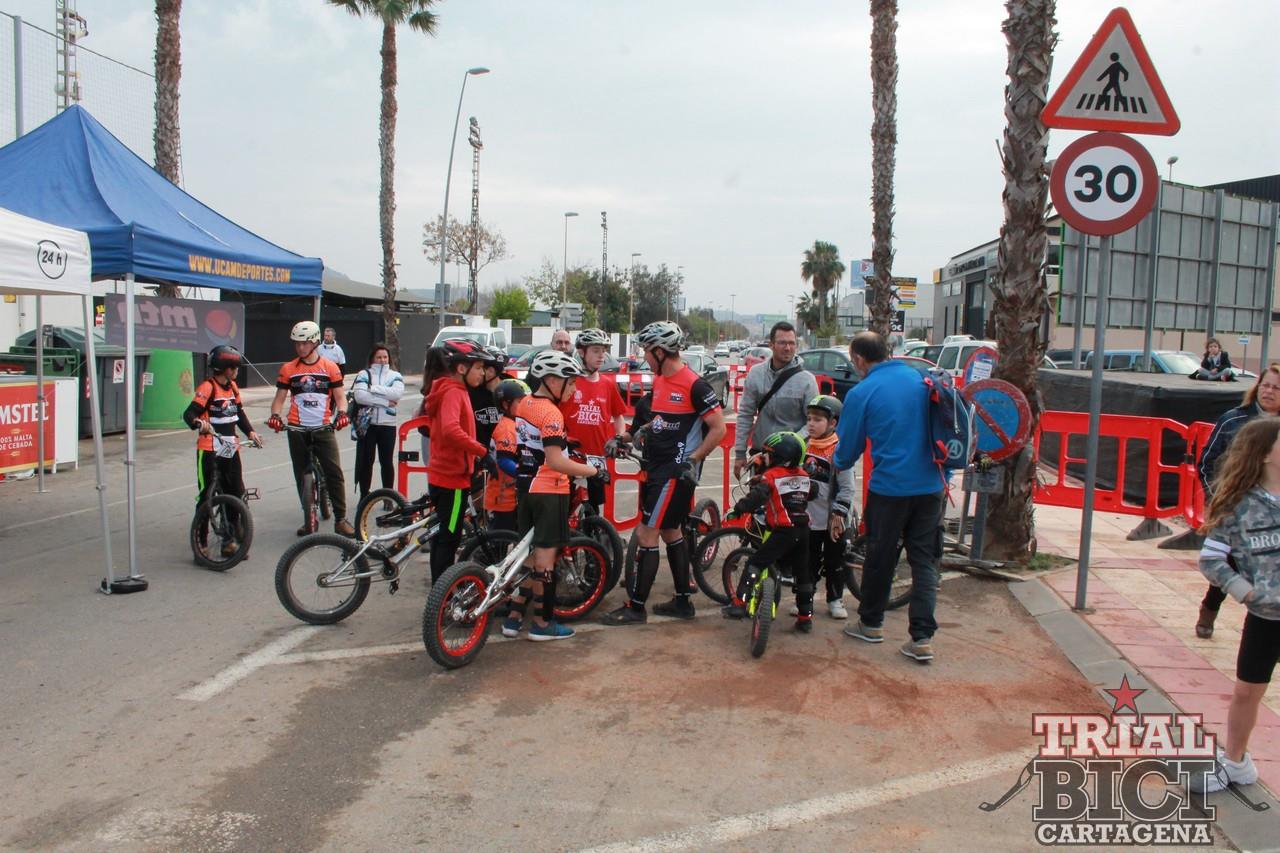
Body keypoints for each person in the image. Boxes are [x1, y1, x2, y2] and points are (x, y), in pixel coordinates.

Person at [602, 321, 726, 625]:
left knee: (646, 533)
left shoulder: (695, 385)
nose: (644, 356)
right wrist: (630, 437)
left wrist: (694, 459)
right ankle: (683, 602)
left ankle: (636, 607)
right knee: (672, 532)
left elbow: (719, 429)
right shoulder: (659, 382)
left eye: (647, 351)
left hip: (674, 473)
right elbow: (659, 422)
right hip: (658, 468)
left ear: (660, 351)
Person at [834, 331, 943, 663]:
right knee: (924, 561)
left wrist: (835, 463)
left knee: (881, 557)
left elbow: (847, 450)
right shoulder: (921, 379)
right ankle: (921, 638)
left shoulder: (862, 391)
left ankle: (871, 624)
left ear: (858, 359)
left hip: (890, 488)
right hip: (931, 487)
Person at [1193, 416, 1280, 794]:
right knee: (1247, 692)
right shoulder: (1238, 504)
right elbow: (1210, 558)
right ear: (1264, 454)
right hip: (1266, 619)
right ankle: (1236, 763)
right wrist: (1246, 591)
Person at [503, 350, 607, 641]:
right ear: (550, 380)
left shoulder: (524, 404)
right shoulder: (551, 412)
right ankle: (542, 623)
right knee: (545, 561)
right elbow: (555, 460)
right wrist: (592, 471)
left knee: (528, 556)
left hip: (525, 487)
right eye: (570, 382)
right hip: (549, 490)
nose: (574, 389)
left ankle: (513, 619)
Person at [1195, 365, 1280, 637]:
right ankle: (1209, 611)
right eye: (1266, 385)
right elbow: (1207, 462)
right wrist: (1219, 501)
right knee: (1228, 560)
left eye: (1277, 388)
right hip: (1238, 508)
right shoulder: (1234, 420)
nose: (1269, 391)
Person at [723, 431, 817, 632]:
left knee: (755, 563)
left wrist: (737, 510)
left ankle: (739, 604)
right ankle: (805, 617)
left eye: (767, 454)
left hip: (783, 531)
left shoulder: (770, 477)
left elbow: (756, 498)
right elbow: (812, 492)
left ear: (779, 458)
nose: (763, 457)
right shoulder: (804, 476)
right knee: (803, 575)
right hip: (803, 531)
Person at [266, 321, 354, 536]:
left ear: (315, 342)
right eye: (297, 344)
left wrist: (342, 414)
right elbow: (278, 399)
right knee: (301, 473)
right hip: (297, 429)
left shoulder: (330, 367)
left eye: (304, 344)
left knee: (334, 472)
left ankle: (341, 519)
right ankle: (309, 519)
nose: (300, 348)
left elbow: (340, 398)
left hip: (323, 427)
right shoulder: (288, 369)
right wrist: (275, 416)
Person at [182, 345, 262, 556]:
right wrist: (199, 423)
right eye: (233, 367)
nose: (237, 370)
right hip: (209, 448)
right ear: (224, 368)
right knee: (206, 495)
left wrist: (251, 432)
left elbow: (239, 414)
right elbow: (189, 414)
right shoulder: (208, 388)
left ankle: (231, 541)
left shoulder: (233, 387)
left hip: (230, 448)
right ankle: (201, 543)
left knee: (235, 493)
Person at [422, 339, 490, 583]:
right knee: (448, 539)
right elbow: (451, 430)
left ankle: (439, 592)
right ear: (462, 368)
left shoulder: (448, 389)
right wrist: (482, 451)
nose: (483, 373)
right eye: (479, 367)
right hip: (453, 480)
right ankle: (443, 596)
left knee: (442, 536)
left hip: (444, 474)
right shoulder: (453, 391)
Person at [792, 395, 855, 619]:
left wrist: (839, 513)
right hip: (807, 517)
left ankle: (835, 599)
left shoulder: (839, 450)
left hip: (831, 521)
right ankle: (804, 598)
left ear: (833, 423)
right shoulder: (802, 443)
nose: (811, 423)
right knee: (806, 561)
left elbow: (847, 487)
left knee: (834, 562)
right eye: (809, 418)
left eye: (818, 419)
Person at [734, 321, 819, 480]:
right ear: (771, 345)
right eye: (782, 343)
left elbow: (813, 422)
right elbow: (745, 414)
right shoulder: (756, 374)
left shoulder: (807, 380)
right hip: (761, 455)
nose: (787, 348)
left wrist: (789, 442)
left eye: (791, 343)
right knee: (757, 502)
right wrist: (739, 454)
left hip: (793, 460)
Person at [562, 328, 628, 512]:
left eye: (604, 351)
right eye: (596, 350)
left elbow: (618, 416)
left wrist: (619, 438)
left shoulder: (607, 384)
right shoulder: (570, 381)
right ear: (582, 352)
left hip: (596, 458)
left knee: (594, 511)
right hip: (571, 457)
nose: (602, 356)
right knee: (566, 508)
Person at [350, 343, 404, 499]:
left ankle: (388, 497)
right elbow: (360, 396)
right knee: (366, 461)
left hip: (388, 425)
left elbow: (397, 394)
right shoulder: (363, 374)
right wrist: (385, 402)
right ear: (373, 358)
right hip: (368, 425)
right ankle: (364, 495)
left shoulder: (395, 375)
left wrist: (373, 389)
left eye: (385, 357)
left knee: (387, 462)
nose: (382, 360)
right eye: (379, 357)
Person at [485, 378, 528, 532]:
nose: (523, 405)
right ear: (506, 405)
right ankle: (481, 557)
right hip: (503, 497)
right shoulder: (506, 428)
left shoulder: (516, 424)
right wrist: (525, 473)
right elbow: (504, 461)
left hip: (512, 495)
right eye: (519, 402)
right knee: (500, 542)